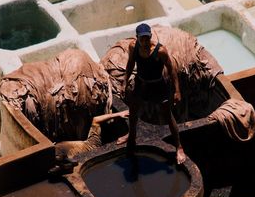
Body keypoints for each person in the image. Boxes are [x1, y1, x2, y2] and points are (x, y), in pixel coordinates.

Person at [118, 23, 186, 164]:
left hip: (158, 85)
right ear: (137, 38)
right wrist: (124, 81)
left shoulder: (160, 51)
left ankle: (179, 146)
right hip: (141, 83)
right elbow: (131, 63)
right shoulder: (133, 46)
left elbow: (171, 70)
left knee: (167, 115)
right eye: (141, 39)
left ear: (150, 37)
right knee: (133, 110)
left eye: (147, 38)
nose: (144, 42)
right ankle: (131, 137)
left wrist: (177, 91)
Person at [55, 110, 129, 158]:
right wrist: (119, 114)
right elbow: (96, 120)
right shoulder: (94, 143)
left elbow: (95, 120)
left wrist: (119, 114)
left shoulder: (94, 145)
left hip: (60, 152)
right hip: (59, 151)